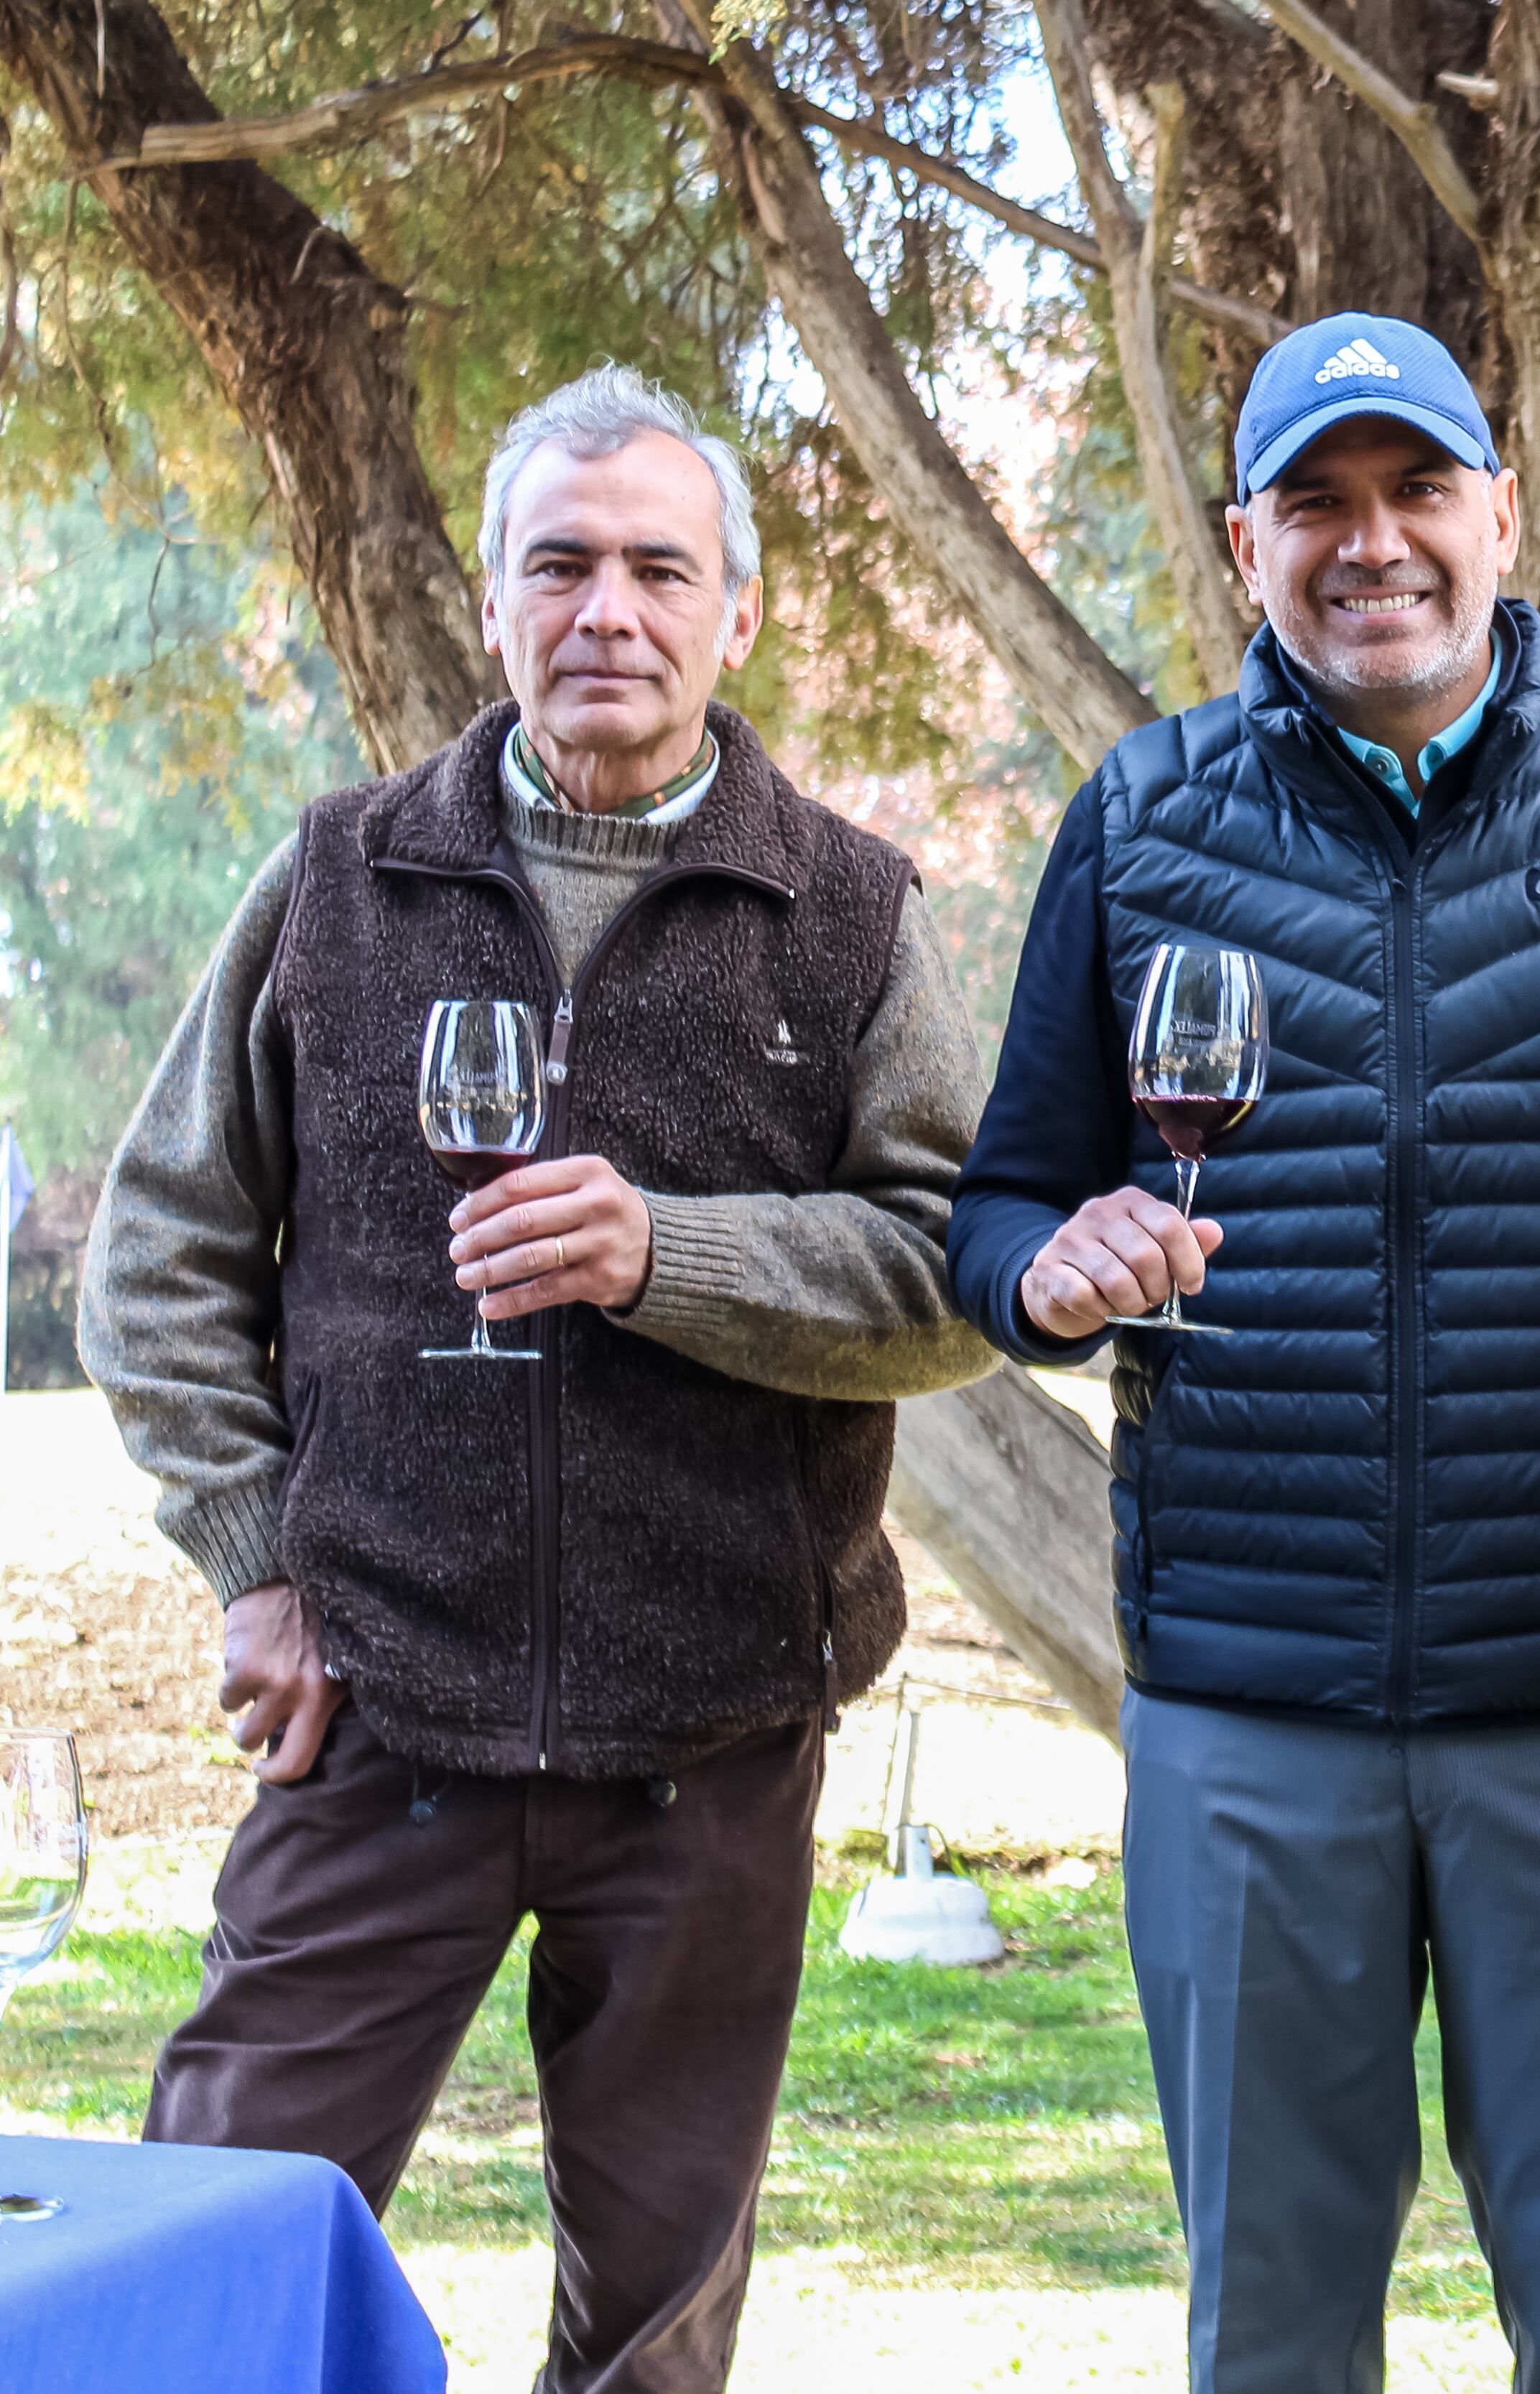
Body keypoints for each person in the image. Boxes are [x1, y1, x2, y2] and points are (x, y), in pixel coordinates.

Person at [79, 364, 994, 2390]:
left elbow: (956, 1274)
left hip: (714, 1744)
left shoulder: (846, 914)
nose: (609, 610)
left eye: (659, 568)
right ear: (494, 601)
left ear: (735, 612)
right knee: (193, 2276)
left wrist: (669, 1251)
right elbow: (157, 1261)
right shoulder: (334, 879)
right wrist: (254, 1559)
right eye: (559, 563)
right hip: (374, 1718)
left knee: (651, 2347)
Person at [943, 311, 1540, 2394]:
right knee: (1270, 2332)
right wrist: (1045, 1271)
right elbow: (998, 1209)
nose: (1374, 545)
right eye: (1318, 503)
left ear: (1501, 515)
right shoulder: (1141, 817)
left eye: (1418, 489)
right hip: (1253, 1715)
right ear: (1244, 539)